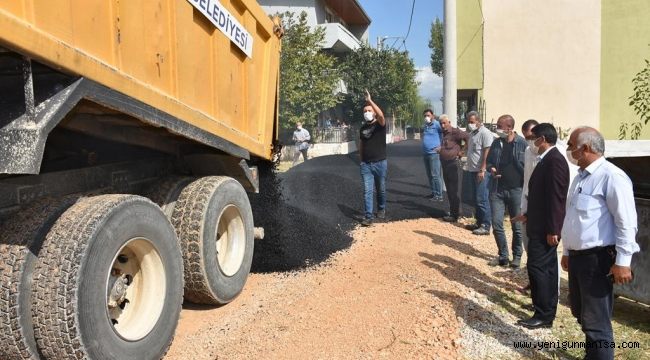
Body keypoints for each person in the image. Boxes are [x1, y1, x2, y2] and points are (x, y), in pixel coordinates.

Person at [561, 127, 639, 359]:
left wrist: (623, 262)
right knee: (581, 312)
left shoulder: (611, 176)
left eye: (571, 145)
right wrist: (567, 250)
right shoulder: (581, 177)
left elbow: (626, 222)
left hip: (597, 259)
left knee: (596, 322)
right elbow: (574, 217)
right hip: (578, 258)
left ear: (585, 148)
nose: (568, 150)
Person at [514, 123, 569, 330]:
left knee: (540, 269)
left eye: (533, 138)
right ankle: (542, 309)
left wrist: (554, 229)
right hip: (538, 224)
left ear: (543, 139)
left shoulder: (555, 161)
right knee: (539, 268)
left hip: (546, 229)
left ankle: (544, 314)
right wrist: (528, 214)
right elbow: (541, 196)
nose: (531, 142)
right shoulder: (545, 160)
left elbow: (556, 199)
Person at [485, 115, 526, 267]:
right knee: (496, 224)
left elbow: (527, 168)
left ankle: (516, 257)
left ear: (509, 128)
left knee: (516, 226)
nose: (497, 129)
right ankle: (503, 255)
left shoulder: (522, 144)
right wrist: (492, 169)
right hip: (498, 190)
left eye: (499, 126)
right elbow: (489, 162)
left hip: (517, 190)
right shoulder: (496, 143)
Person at [358, 90, 387, 226]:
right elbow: (362, 145)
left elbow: (381, 114)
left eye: (369, 110)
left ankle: (381, 209)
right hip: (366, 165)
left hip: (380, 163)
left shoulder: (380, 124)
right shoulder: (362, 128)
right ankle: (368, 216)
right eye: (365, 111)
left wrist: (370, 100)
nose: (367, 113)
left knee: (380, 188)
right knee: (367, 190)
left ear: (374, 112)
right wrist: (361, 160)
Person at [463, 111, 493, 235]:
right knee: (475, 198)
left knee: (482, 199)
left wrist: (483, 169)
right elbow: (470, 149)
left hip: (481, 172)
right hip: (472, 170)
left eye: (472, 122)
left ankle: (486, 225)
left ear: (479, 121)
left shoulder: (485, 133)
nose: (470, 124)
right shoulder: (472, 133)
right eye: (469, 122)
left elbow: (487, 151)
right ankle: (478, 222)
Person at [439, 114, 468, 222]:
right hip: (445, 164)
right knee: (449, 189)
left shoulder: (456, 132)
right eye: (441, 123)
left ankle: (458, 214)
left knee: (455, 190)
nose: (442, 125)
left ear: (449, 122)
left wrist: (462, 151)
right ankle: (453, 213)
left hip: (453, 164)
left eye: (444, 123)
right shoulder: (444, 133)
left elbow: (468, 137)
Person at [421, 109, 444, 201]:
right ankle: (434, 192)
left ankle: (439, 195)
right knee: (429, 175)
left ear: (433, 116)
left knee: (435, 175)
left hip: (434, 154)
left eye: (428, 115)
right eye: (425, 116)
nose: (426, 117)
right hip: (426, 153)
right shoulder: (425, 125)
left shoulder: (437, 124)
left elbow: (444, 134)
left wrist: (441, 146)